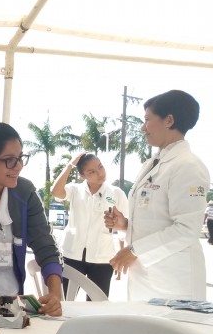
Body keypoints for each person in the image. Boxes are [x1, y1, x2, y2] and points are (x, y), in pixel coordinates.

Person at [106, 89, 210, 300]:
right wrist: (125, 224)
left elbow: (186, 230)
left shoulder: (188, 166)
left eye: (147, 120)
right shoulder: (153, 163)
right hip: (148, 277)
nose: (143, 127)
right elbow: (157, 217)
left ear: (169, 120)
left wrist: (134, 250)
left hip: (174, 283)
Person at [0, 122, 64, 315]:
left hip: (7, 305)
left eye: (20, 158)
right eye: (9, 159)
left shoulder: (25, 194)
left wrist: (55, 294)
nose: (18, 166)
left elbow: (46, 247)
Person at [52, 152, 129, 297]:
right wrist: (70, 165)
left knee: (97, 306)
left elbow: (124, 229)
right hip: (72, 256)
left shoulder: (116, 193)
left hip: (102, 259)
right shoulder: (75, 190)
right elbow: (56, 192)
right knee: (65, 302)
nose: (99, 173)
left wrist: (120, 253)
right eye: (91, 172)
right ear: (82, 175)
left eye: (100, 167)